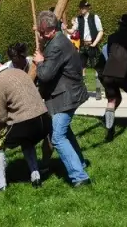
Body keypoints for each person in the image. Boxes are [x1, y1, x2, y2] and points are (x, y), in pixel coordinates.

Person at [34, 10, 91, 187]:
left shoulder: (56, 46)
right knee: (64, 132)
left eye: (42, 33)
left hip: (66, 96)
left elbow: (45, 75)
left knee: (58, 137)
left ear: (50, 30)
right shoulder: (58, 40)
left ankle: (79, 177)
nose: (40, 36)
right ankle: (79, 163)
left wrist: (39, 62)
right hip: (68, 93)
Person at [0, 53, 51, 192]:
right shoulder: (20, 72)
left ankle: (1, 186)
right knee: (27, 141)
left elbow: (1, 116)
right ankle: (35, 176)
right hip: (44, 121)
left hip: (25, 123)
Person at [71, 0, 104, 100]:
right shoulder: (78, 19)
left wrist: (94, 43)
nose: (82, 9)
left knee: (97, 67)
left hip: (92, 44)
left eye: (84, 7)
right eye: (81, 7)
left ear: (88, 8)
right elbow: (73, 30)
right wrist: (65, 28)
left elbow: (101, 31)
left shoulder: (94, 17)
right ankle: (83, 91)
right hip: (82, 45)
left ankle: (98, 90)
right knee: (81, 68)